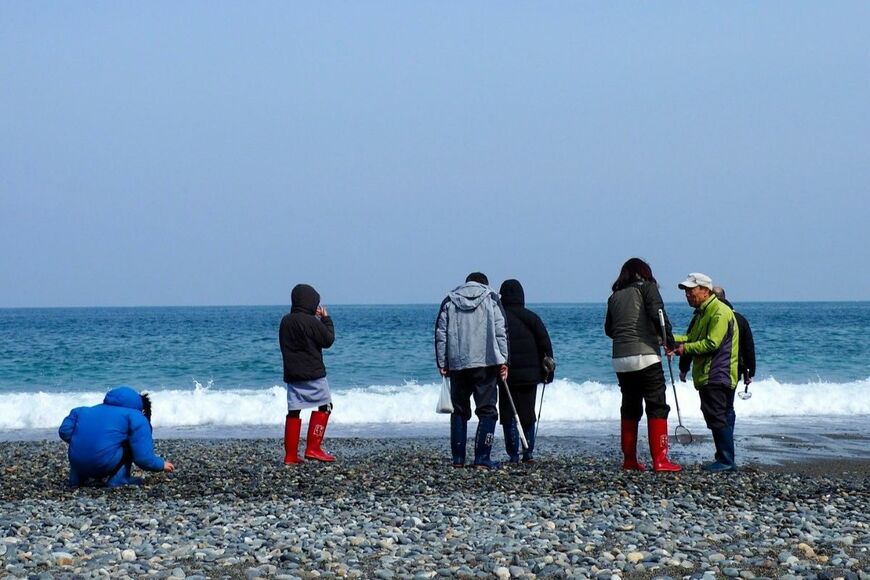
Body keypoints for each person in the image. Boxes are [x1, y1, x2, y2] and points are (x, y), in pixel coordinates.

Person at [604, 258, 682, 472]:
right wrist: (669, 342)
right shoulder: (647, 288)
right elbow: (659, 316)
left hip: (620, 359)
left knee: (630, 406)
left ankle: (629, 459)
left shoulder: (614, 297)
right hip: (646, 356)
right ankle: (660, 460)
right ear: (645, 272)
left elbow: (609, 330)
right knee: (657, 405)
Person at [435, 272, 509, 469]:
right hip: (486, 363)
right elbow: (501, 331)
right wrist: (504, 361)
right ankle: (482, 458)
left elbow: (441, 334)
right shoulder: (491, 298)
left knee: (459, 411)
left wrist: (442, 363)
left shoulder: (450, 300)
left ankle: (458, 459)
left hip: (458, 364)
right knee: (487, 411)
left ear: (467, 283)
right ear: (485, 284)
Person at [673, 273, 740, 472]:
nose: (687, 295)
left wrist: (685, 349)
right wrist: (670, 340)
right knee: (718, 415)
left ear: (705, 290)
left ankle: (726, 460)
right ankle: (723, 457)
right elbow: (691, 338)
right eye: (686, 291)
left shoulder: (719, 311)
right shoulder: (703, 313)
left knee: (717, 416)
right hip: (714, 373)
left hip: (717, 373)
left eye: (691, 290)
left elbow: (712, 343)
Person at [58, 386, 175, 488]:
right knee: (131, 442)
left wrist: (86, 442)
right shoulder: (135, 416)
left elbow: (64, 431)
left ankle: (77, 478)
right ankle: (119, 479)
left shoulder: (82, 411)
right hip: (103, 464)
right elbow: (143, 459)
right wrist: (160, 464)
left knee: (82, 439)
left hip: (77, 463)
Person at [497, 279, 554, 464]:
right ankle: (528, 453)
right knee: (528, 414)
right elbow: (545, 347)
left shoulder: (498, 319)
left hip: (506, 375)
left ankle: (513, 454)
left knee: (508, 415)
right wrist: (548, 373)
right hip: (530, 375)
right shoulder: (532, 318)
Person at [279, 283, 336, 464]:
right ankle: (313, 448)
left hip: (293, 375)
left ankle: (290, 455)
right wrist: (325, 320)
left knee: (294, 411)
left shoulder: (285, 321)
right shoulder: (311, 322)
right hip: (314, 374)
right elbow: (328, 340)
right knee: (326, 406)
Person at [712, 286, 756, 388]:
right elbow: (748, 348)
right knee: (729, 397)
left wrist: (684, 368)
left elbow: (693, 339)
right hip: (734, 369)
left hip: (711, 370)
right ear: (725, 297)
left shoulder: (706, 317)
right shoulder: (740, 319)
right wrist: (749, 373)